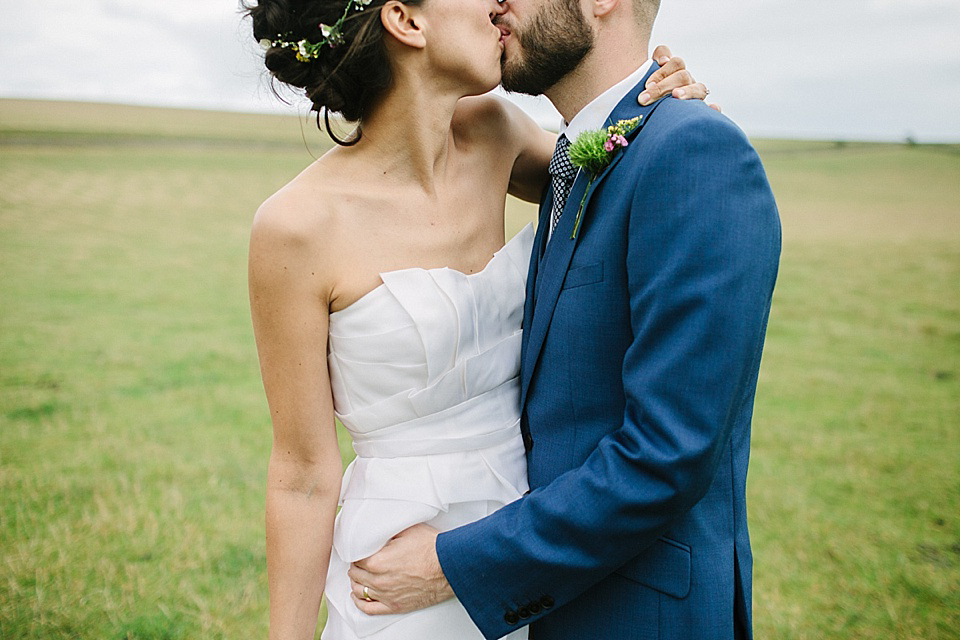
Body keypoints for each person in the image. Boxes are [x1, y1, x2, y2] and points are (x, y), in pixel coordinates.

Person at [243, 0, 707, 638]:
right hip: (403, 558)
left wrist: (654, 102)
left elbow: (620, 170)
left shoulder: (497, 132)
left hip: (533, 535)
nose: (500, 1)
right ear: (407, 21)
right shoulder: (296, 228)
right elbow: (301, 473)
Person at [347, 0, 782, 639]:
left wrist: (452, 565)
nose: (498, 3)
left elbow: (668, 454)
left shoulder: (695, 152)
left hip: (639, 615)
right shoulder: (580, 156)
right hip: (554, 605)